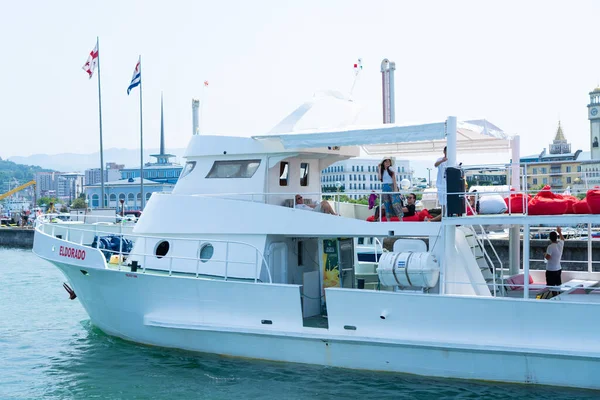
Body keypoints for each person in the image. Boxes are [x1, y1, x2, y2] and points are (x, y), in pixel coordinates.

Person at [545, 226, 564, 295]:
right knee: (558, 285)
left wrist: (544, 254)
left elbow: (548, 257)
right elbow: (562, 239)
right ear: (556, 237)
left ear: (550, 238)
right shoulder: (560, 244)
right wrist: (559, 232)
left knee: (551, 286)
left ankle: (554, 297)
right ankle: (559, 297)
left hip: (551, 270)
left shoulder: (550, 247)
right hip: (558, 268)